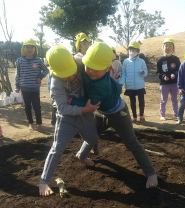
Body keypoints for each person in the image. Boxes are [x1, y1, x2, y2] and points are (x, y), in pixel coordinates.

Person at [70, 42, 158, 189]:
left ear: (107, 69)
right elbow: (75, 61)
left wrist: (72, 101)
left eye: (96, 69)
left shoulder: (101, 86)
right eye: (88, 65)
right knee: (91, 135)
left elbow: (89, 104)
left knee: (132, 143)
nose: (90, 71)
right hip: (101, 111)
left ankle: (151, 173)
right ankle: (82, 154)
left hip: (119, 114)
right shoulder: (85, 66)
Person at [39, 46, 100, 196]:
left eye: (72, 73)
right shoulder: (55, 83)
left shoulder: (80, 62)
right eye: (65, 76)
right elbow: (62, 108)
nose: (71, 77)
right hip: (66, 118)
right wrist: (84, 109)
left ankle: (82, 155)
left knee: (93, 138)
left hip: (86, 114)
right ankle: (44, 181)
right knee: (57, 148)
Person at [15, 39, 49, 131]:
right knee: (27, 107)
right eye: (27, 47)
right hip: (24, 89)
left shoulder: (38, 61)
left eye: (32, 47)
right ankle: (31, 123)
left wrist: (40, 76)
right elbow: (17, 74)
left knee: (37, 107)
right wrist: (17, 86)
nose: (29, 49)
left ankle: (39, 124)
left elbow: (46, 70)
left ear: (35, 49)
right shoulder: (19, 60)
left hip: (35, 89)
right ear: (23, 49)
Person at [119, 41, 148, 122]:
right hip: (130, 85)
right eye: (130, 49)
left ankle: (141, 115)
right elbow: (124, 73)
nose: (131, 51)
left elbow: (146, 72)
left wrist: (143, 73)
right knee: (132, 101)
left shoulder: (141, 61)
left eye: (134, 49)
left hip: (140, 85)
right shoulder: (126, 61)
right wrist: (121, 82)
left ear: (138, 51)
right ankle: (134, 116)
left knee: (141, 101)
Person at [156, 38, 181, 121]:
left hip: (174, 83)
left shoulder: (176, 59)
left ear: (173, 48)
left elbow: (179, 70)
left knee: (175, 100)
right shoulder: (160, 60)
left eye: (170, 46)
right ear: (163, 47)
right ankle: (162, 115)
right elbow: (158, 72)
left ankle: (176, 114)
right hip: (164, 84)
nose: (168, 47)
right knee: (163, 100)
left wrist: (175, 74)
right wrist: (163, 77)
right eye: (166, 46)